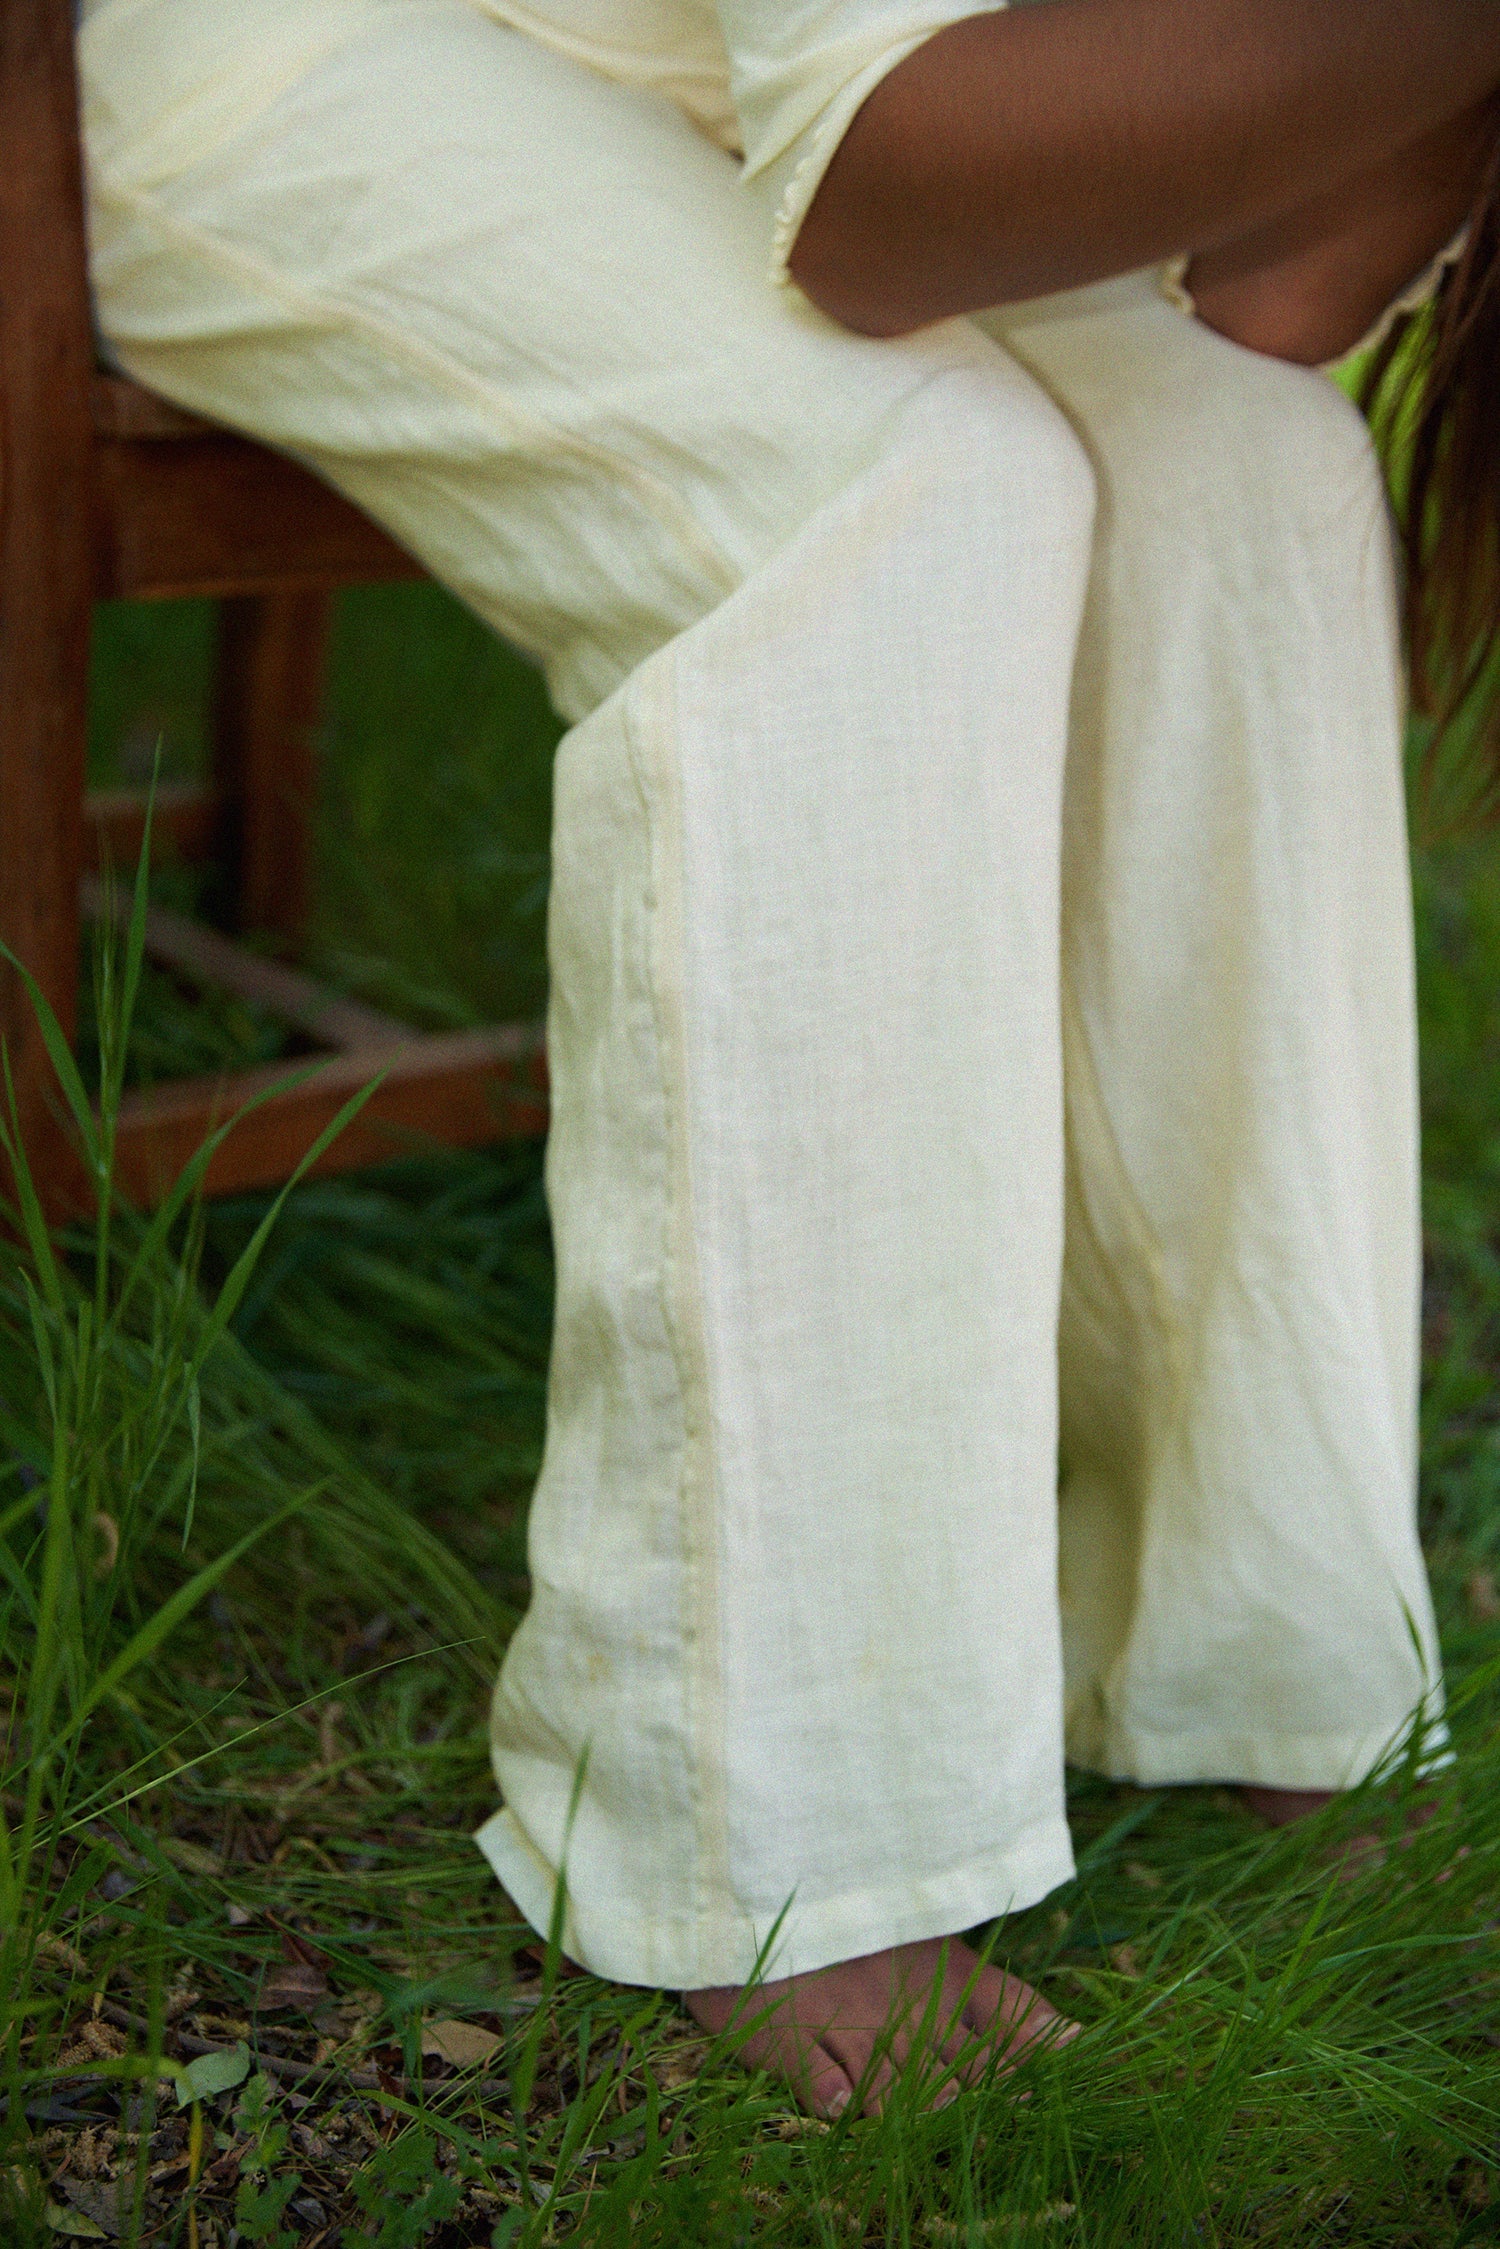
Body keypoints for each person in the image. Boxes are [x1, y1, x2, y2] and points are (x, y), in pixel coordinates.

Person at [78, 0, 1500, 2120]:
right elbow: (884, 206)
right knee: (893, 497)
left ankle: (1255, 1662)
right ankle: (772, 1836)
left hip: (687, 74)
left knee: (1254, 478)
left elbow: (1276, 295)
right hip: (298, 36)